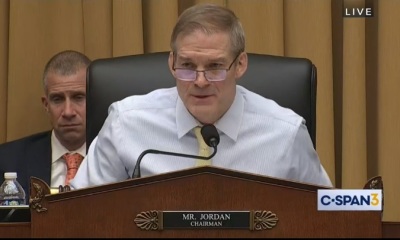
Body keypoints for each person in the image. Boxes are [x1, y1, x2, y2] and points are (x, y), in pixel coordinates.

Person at [71, 4, 332, 189]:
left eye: (215, 67)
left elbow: (328, 210)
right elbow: (79, 209)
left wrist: (369, 202)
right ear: (171, 63)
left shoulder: (285, 132)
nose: (199, 81)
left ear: (240, 65)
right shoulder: (126, 123)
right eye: (186, 66)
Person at [0, 50, 91, 195]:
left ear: (95, 98)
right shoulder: (7, 161)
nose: (68, 112)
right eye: (57, 99)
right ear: (46, 104)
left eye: (78, 97)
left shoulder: (119, 158)